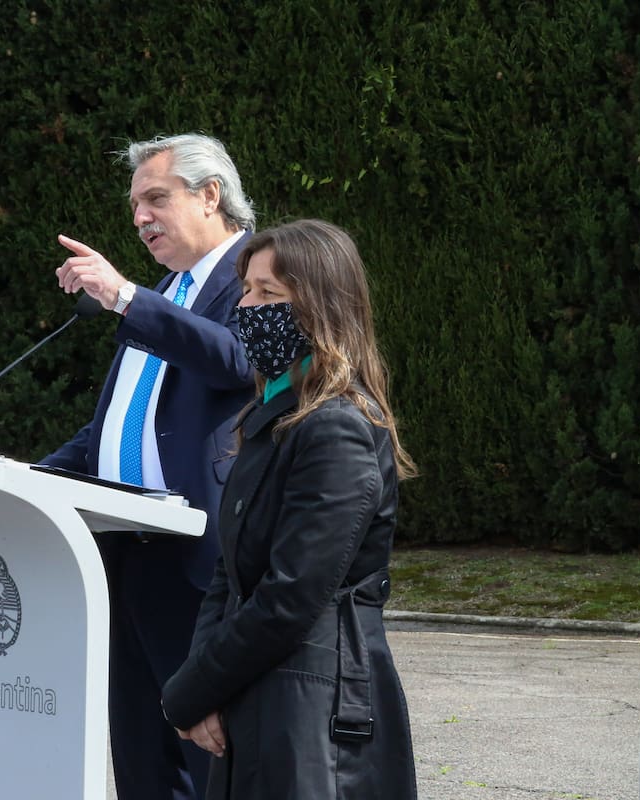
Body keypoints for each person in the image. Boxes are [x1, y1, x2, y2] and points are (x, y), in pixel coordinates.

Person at [160, 219, 419, 799]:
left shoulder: (336, 428)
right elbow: (230, 572)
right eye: (246, 290)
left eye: (267, 293)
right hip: (262, 694)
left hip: (314, 708)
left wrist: (193, 690)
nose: (246, 307)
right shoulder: (273, 418)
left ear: (320, 308)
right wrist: (203, 688)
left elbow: (292, 596)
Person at [43, 133, 256, 799]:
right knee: (142, 764)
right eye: (135, 204)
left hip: (198, 559)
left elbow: (238, 361)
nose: (140, 218)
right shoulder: (168, 290)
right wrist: (26, 481)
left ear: (211, 195)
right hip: (125, 557)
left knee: (210, 764)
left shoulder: (258, 274)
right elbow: (119, 424)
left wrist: (128, 298)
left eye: (156, 199)